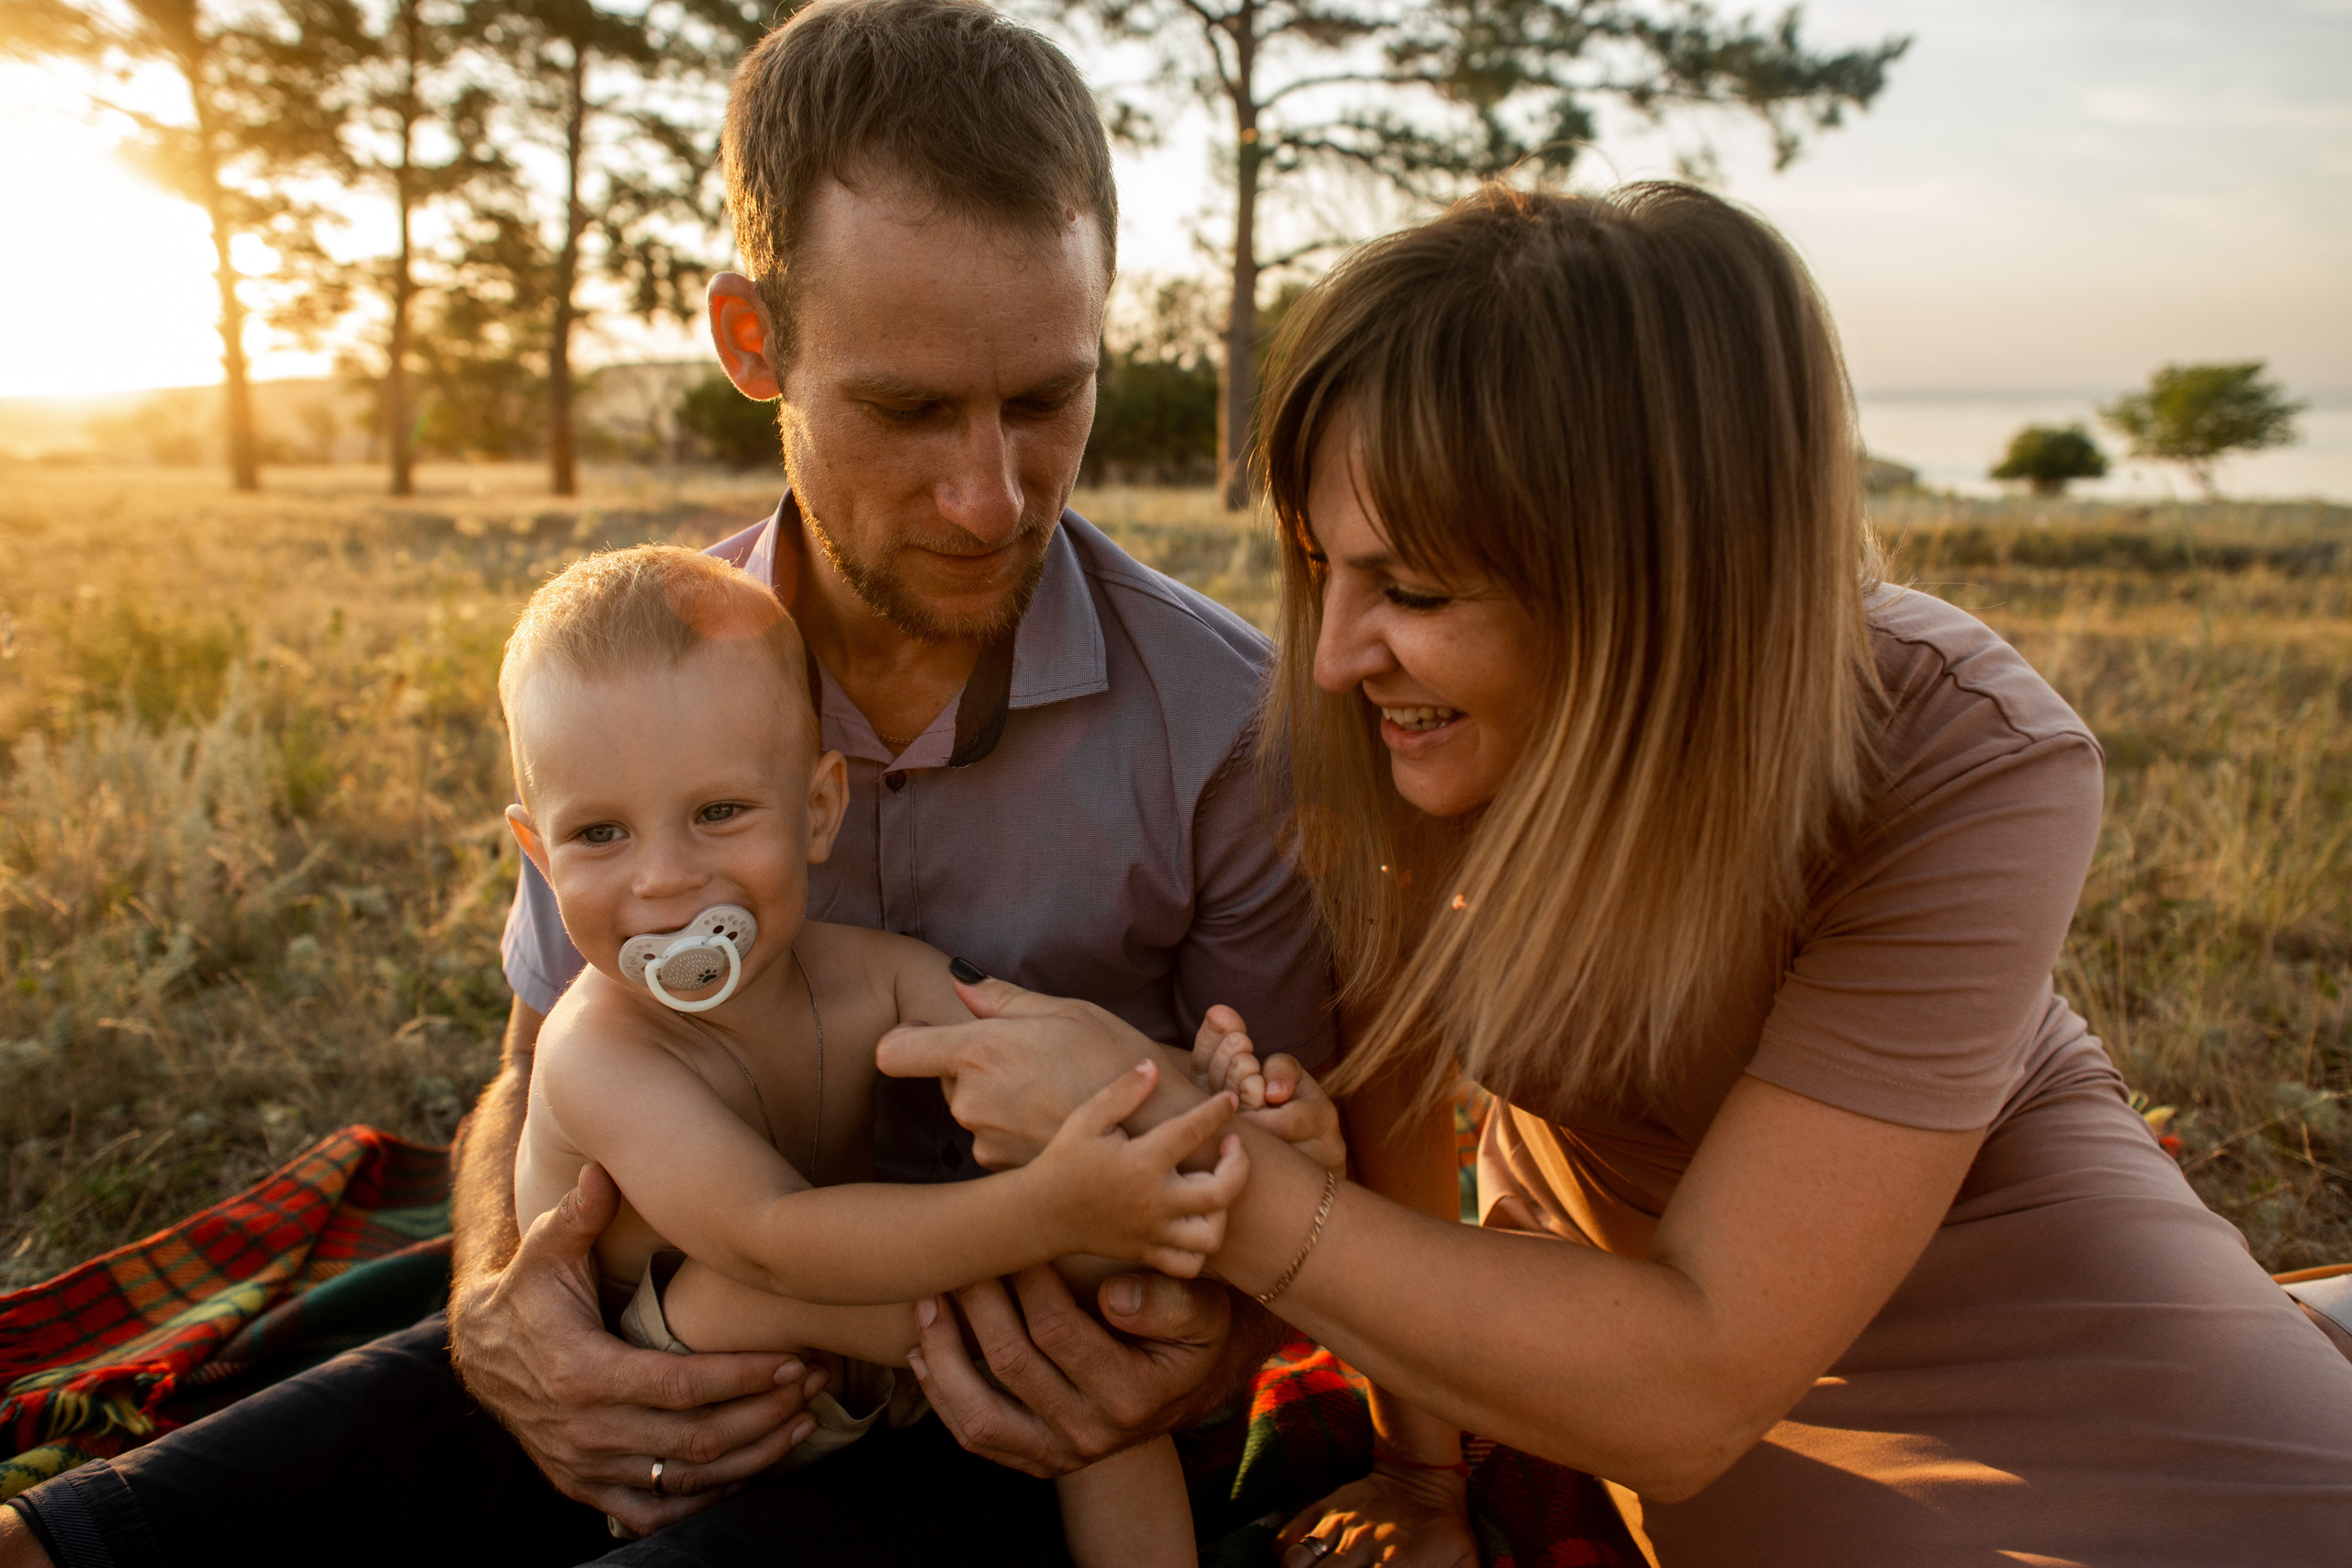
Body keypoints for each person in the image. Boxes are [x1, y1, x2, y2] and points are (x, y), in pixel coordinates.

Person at [0, 5, 1331, 1563]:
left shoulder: (1234, 727)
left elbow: (1296, 1177)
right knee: (156, 1517)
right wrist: (512, 1318)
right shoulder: (633, 685)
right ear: (751, 343)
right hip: (676, 1305)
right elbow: (534, 1067)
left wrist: (1191, 1351)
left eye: (1047, 398)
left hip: (1016, 1410)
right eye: (908, 409)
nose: (992, 495)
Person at [868, 181, 2352, 1566]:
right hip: (1601, 1341)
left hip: (2001, 1309)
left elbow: (1695, 1380)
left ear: (1654, 574)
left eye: (1418, 589)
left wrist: (1188, 1161)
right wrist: (1426, 1476)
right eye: (1325, 567)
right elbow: (1398, 1101)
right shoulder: (1401, 733)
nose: (1329, 657)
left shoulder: (1954, 751)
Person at [499, 544, 1279, 1565]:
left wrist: (1188, 1084)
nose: (664, 880)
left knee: (1082, 1355)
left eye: (718, 813)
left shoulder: (867, 973)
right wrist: (1052, 1209)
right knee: (1016, 1319)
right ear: (538, 853)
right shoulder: (598, 1048)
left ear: (818, 810)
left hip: (845, 1313)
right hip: (663, 1361)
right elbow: (771, 1235)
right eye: (600, 834)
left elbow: (1025, 1030)